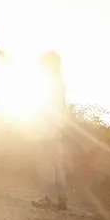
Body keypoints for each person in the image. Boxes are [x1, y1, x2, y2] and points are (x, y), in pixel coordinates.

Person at [31, 50, 69, 211]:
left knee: (44, 165)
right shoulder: (59, 81)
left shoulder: (49, 81)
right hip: (56, 129)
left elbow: (43, 106)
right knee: (56, 165)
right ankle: (61, 199)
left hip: (46, 129)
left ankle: (47, 199)